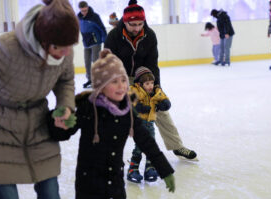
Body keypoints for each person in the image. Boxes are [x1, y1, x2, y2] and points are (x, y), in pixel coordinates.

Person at [47, 49, 176, 199]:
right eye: (114, 82)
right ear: (101, 85)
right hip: (89, 185)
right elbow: (62, 134)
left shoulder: (127, 111)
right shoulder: (88, 108)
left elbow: (146, 141)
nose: (121, 86)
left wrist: (165, 170)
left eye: (123, 80)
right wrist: (57, 119)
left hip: (115, 183)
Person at [0, 0, 78, 198]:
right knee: (7, 194)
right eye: (60, 48)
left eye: (69, 47)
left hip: (37, 123)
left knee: (50, 192)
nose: (66, 53)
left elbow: (66, 81)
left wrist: (65, 107)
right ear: (43, 41)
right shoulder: (6, 47)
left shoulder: (65, 52)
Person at [105, 0, 197, 160]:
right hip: (119, 78)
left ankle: (177, 146)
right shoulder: (114, 36)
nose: (136, 28)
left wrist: (156, 89)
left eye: (140, 24)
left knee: (160, 109)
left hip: (143, 77)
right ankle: (107, 154)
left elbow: (152, 64)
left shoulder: (149, 35)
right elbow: (108, 64)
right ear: (125, 21)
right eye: (132, 24)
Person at [127, 66, 171, 183]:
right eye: (147, 83)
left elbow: (164, 99)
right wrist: (139, 107)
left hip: (150, 124)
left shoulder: (156, 91)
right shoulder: (134, 90)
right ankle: (133, 169)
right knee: (139, 147)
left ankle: (149, 168)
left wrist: (165, 104)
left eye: (151, 82)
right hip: (138, 125)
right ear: (140, 83)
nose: (150, 86)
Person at [78, 1, 107, 88]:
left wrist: (105, 40)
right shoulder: (79, 17)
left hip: (95, 42)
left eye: (85, 10)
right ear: (80, 10)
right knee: (87, 62)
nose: (84, 12)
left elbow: (102, 28)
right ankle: (90, 79)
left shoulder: (94, 16)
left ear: (88, 7)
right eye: (82, 11)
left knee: (95, 61)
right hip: (86, 43)